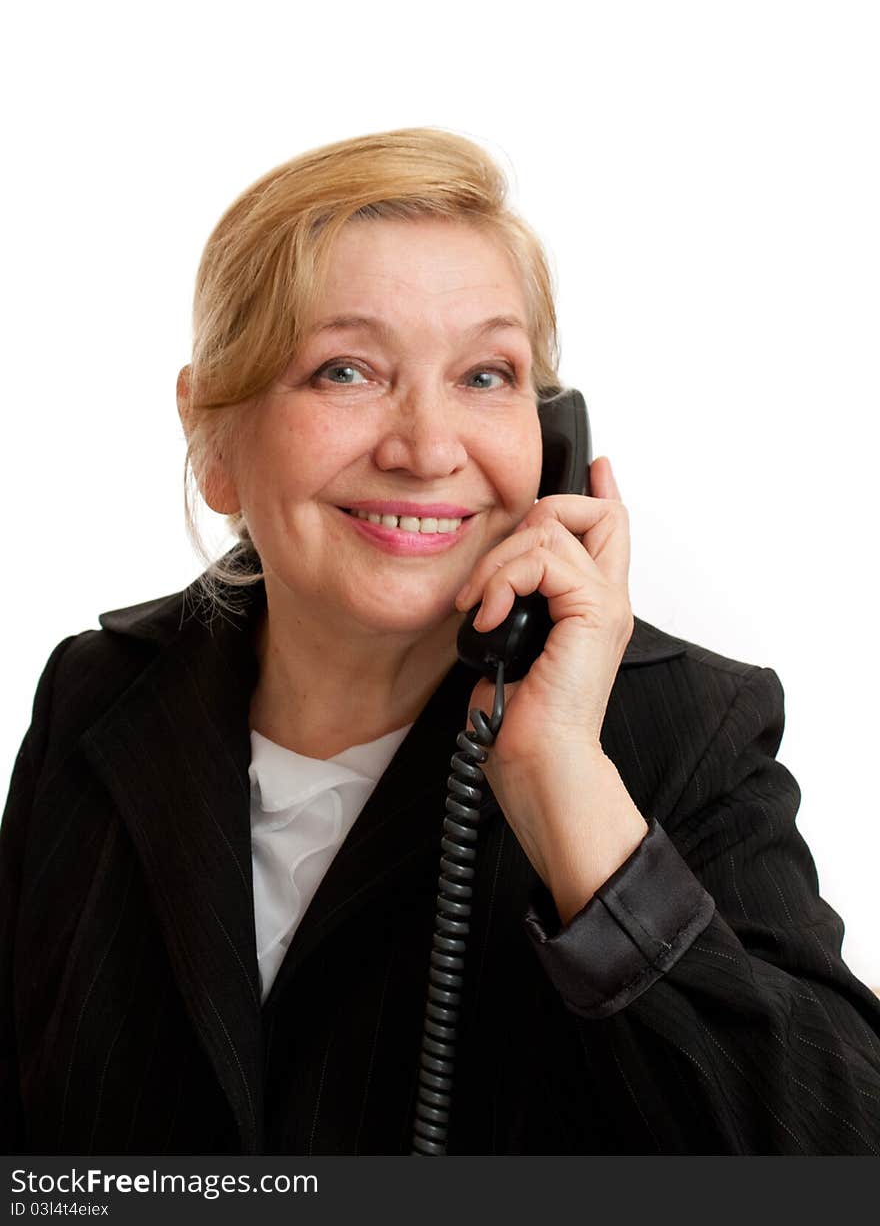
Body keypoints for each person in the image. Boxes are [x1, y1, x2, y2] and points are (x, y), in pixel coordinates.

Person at [2, 127, 879, 1157]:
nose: (425, 449)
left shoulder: (682, 730)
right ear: (213, 439)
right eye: (344, 371)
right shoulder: (99, 696)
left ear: (551, 437)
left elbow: (840, 1159)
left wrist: (563, 789)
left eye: (484, 376)